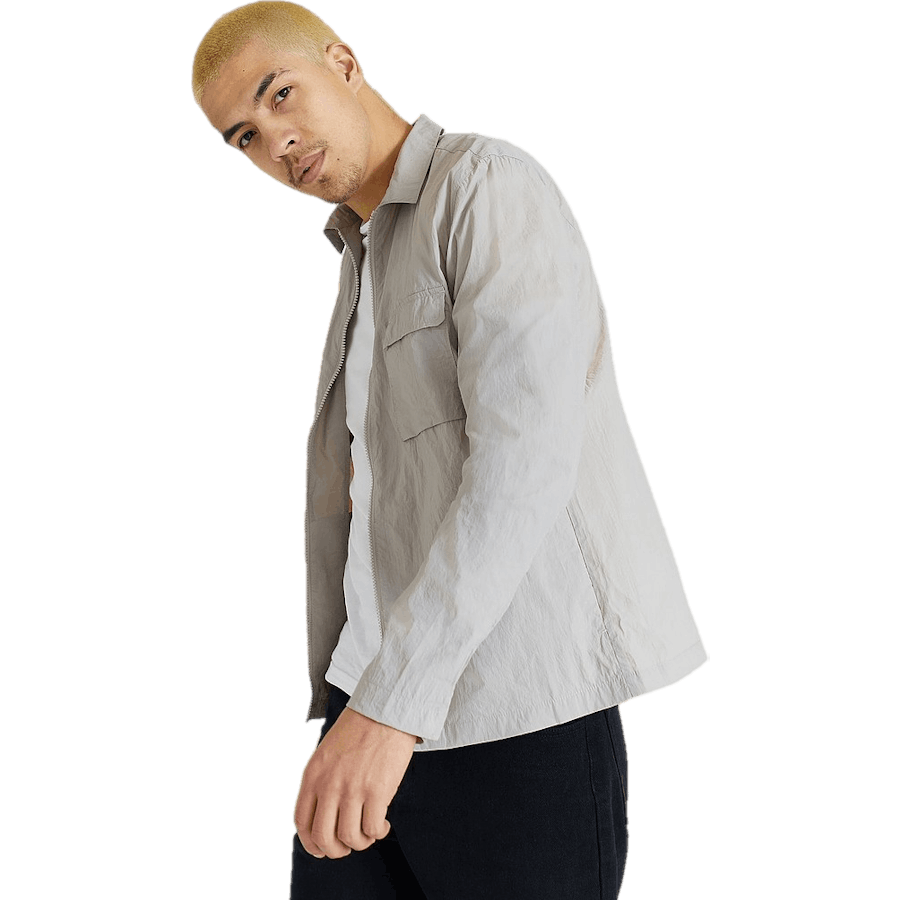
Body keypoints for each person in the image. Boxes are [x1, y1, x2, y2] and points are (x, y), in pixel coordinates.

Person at [190, 3, 710, 897]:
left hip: (517, 721)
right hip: (372, 705)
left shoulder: (487, 187)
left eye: (280, 95)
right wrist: (363, 704)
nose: (276, 141)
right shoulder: (361, 256)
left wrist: (388, 714)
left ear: (343, 62)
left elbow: (523, 468)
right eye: (245, 136)